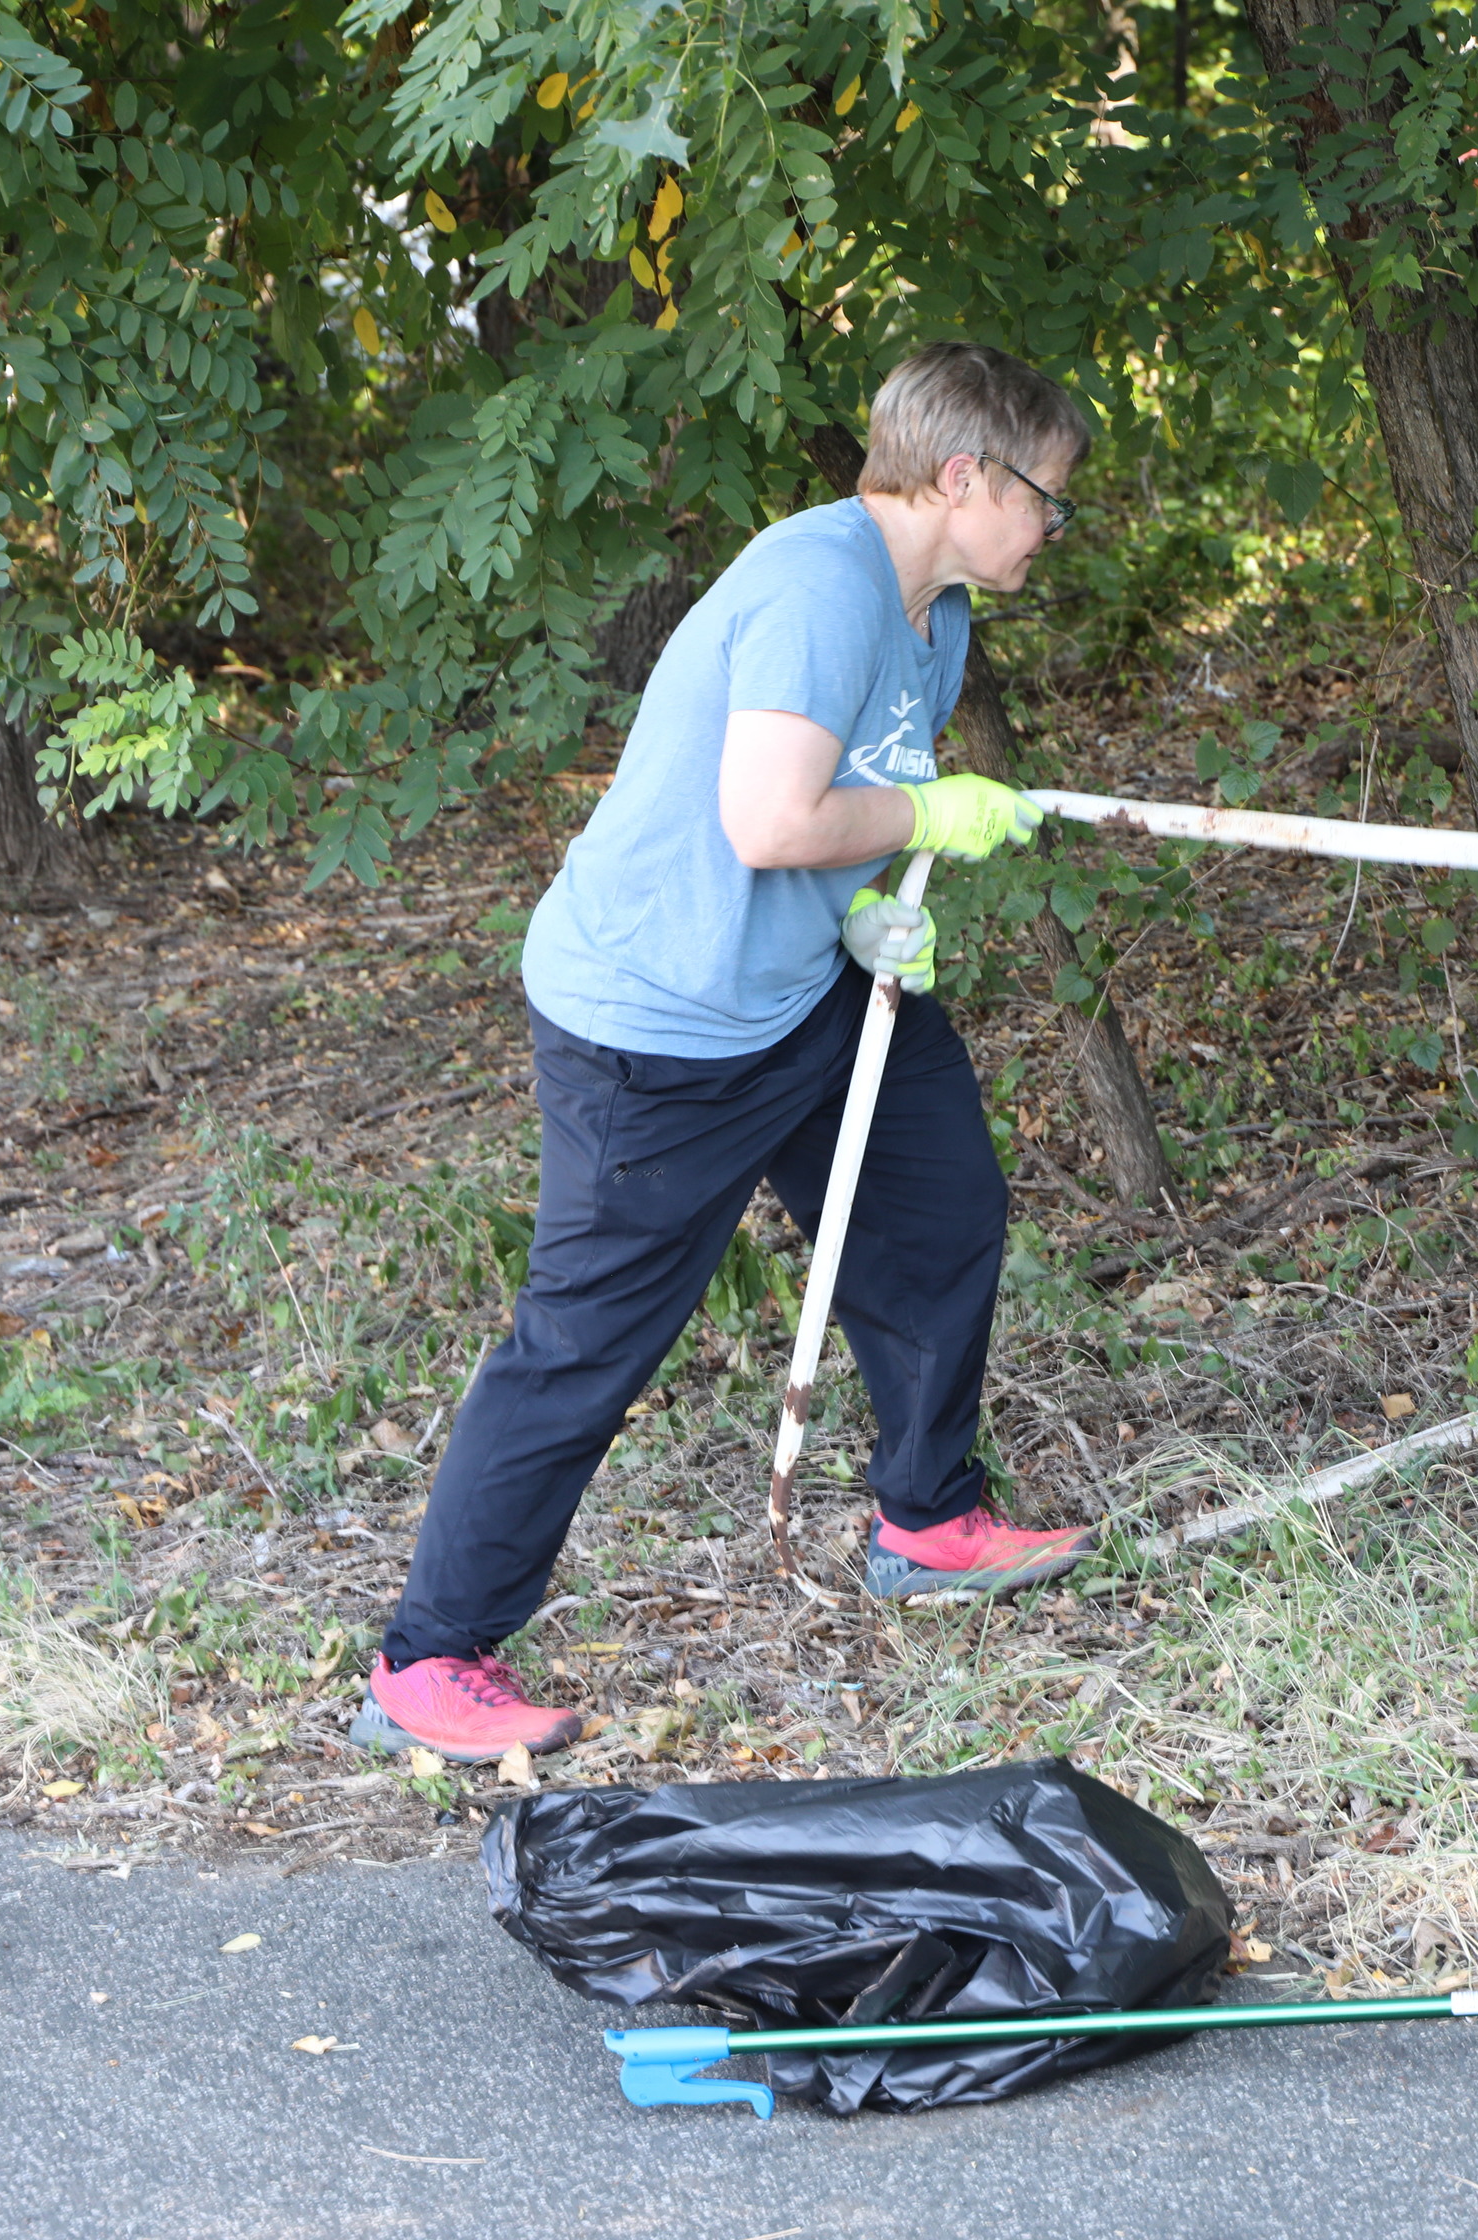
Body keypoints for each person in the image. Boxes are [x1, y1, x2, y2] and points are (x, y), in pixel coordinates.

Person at [351, 341, 1092, 1766]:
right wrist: (925, 831)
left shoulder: (936, 617)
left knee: (937, 1213)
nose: (1053, 527)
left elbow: (838, 821)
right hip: (656, 1024)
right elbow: (768, 822)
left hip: (799, 989)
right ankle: (427, 1658)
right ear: (963, 476)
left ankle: (928, 1521)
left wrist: (870, 914)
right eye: (1047, 499)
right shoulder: (822, 589)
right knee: (586, 1345)